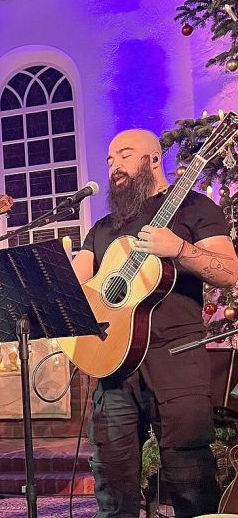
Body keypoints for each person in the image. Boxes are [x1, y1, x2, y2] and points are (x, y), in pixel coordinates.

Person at [71, 129, 238, 517]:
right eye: (110, 160)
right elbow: (76, 285)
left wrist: (178, 248)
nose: (115, 167)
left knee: (189, 476)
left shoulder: (193, 208)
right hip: (113, 365)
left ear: (154, 159)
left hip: (176, 357)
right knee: (113, 483)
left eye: (125, 156)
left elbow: (230, 272)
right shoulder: (103, 229)